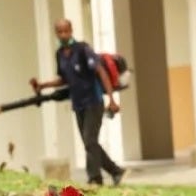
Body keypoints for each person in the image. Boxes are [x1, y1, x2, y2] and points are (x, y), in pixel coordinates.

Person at [29, 18, 127, 187]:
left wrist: (111, 99)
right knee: (90, 144)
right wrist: (43, 85)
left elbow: (101, 72)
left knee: (90, 141)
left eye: (66, 31)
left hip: (94, 102)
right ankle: (116, 171)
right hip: (78, 104)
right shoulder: (60, 54)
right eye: (59, 32)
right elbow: (64, 79)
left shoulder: (83, 49)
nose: (63, 34)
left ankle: (95, 179)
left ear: (71, 30)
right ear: (56, 33)